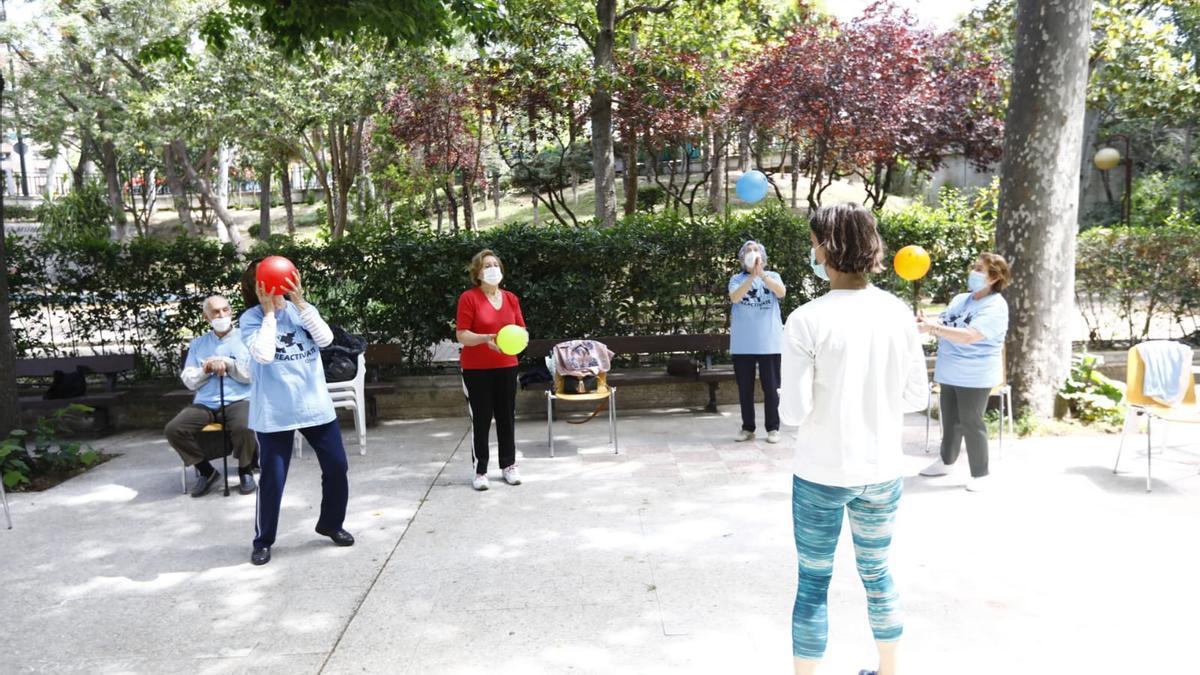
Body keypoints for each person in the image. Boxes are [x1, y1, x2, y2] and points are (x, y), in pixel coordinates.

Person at [780, 203, 928, 675]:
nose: (811, 250)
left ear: (826, 248)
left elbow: (793, 412)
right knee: (879, 576)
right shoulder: (898, 312)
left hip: (821, 472)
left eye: (812, 241)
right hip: (882, 470)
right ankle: (889, 670)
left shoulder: (806, 319)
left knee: (813, 584)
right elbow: (916, 396)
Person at [239, 260, 353, 566]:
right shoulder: (250, 319)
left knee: (337, 467)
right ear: (256, 288)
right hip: (275, 413)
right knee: (273, 479)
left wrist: (300, 302)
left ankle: (331, 523)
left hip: (314, 406)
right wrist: (270, 315)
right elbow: (263, 354)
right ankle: (263, 540)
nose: (277, 288)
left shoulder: (302, 310)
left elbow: (326, 339)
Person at [917, 253, 1011, 492]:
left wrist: (934, 328)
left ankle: (981, 474)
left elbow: (970, 335)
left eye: (980, 269)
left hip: (975, 373)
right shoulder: (961, 299)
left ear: (995, 277)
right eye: (975, 267)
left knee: (971, 421)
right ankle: (946, 461)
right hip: (949, 370)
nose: (974, 272)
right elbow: (947, 322)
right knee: (949, 419)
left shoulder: (996, 305)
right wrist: (929, 322)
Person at [164, 295, 257, 497]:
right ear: (206, 317)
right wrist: (205, 369)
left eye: (225, 309)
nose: (221, 314)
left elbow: (253, 375)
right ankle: (206, 471)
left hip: (239, 399)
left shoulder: (246, 337)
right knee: (174, 429)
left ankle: (245, 470)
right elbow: (189, 379)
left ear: (231, 311)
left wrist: (229, 364)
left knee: (245, 425)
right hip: (205, 402)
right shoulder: (198, 344)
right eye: (215, 311)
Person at [456, 249, 527, 492]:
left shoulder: (511, 298)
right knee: (482, 419)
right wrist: (486, 338)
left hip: (507, 366)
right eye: (487, 265)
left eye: (496, 264)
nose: (493, 268)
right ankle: (480, 470)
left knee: (507, 417)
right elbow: (462, 334)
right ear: (477, 272)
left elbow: (521, 330)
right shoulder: (469, 298)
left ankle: (509, 465)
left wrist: (513, 342)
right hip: (476, 369)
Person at [728, 240, 786, 443]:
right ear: (742, 257)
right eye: (748, 251)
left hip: (769, 342)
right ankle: (748, 427)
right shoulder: (736, 278)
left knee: (772, 388)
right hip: (743, 344)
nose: (753, 253)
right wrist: (751, 278)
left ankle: (773, 428)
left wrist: (761, 276)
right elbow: (735, 297)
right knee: (745, 389)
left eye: (756, 250)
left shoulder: (773, 276)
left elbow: (781, 292)